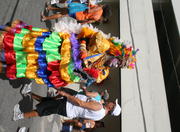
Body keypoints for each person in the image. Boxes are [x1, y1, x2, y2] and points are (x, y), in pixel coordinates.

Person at [0, 19, 138, 88]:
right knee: (31, 44)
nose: (116, 65)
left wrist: (87, 74)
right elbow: (84, 35)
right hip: (61, 48)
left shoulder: (103, 73)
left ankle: (6, 60)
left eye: (120, 66)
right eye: (119, 62)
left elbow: (86, 79)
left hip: (60, 68)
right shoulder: (104, 44)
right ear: (117, 54)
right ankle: (6, 39)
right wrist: (83, 49)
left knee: (31, 64)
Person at [13, 90, 121, 121]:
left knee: (43, 110)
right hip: (69, 108)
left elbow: (81, 103)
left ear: (111, 107)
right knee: (46, 104)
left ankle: (19, 116)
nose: (111, 102)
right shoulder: (101, 114)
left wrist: (65, 94)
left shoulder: (99, 107)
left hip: (68, 106)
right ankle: (28, 93)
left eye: (113, 103)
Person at [41, 3, 111, 24]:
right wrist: (79, 24)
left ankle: (45, 18)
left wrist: (89, 4)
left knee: (61, 14)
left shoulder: (99, 9)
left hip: (79, 11)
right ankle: (49, 8)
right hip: (79, 17)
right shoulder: (98, 18)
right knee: (64, 10)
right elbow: (87, 21)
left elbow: (89, 11)